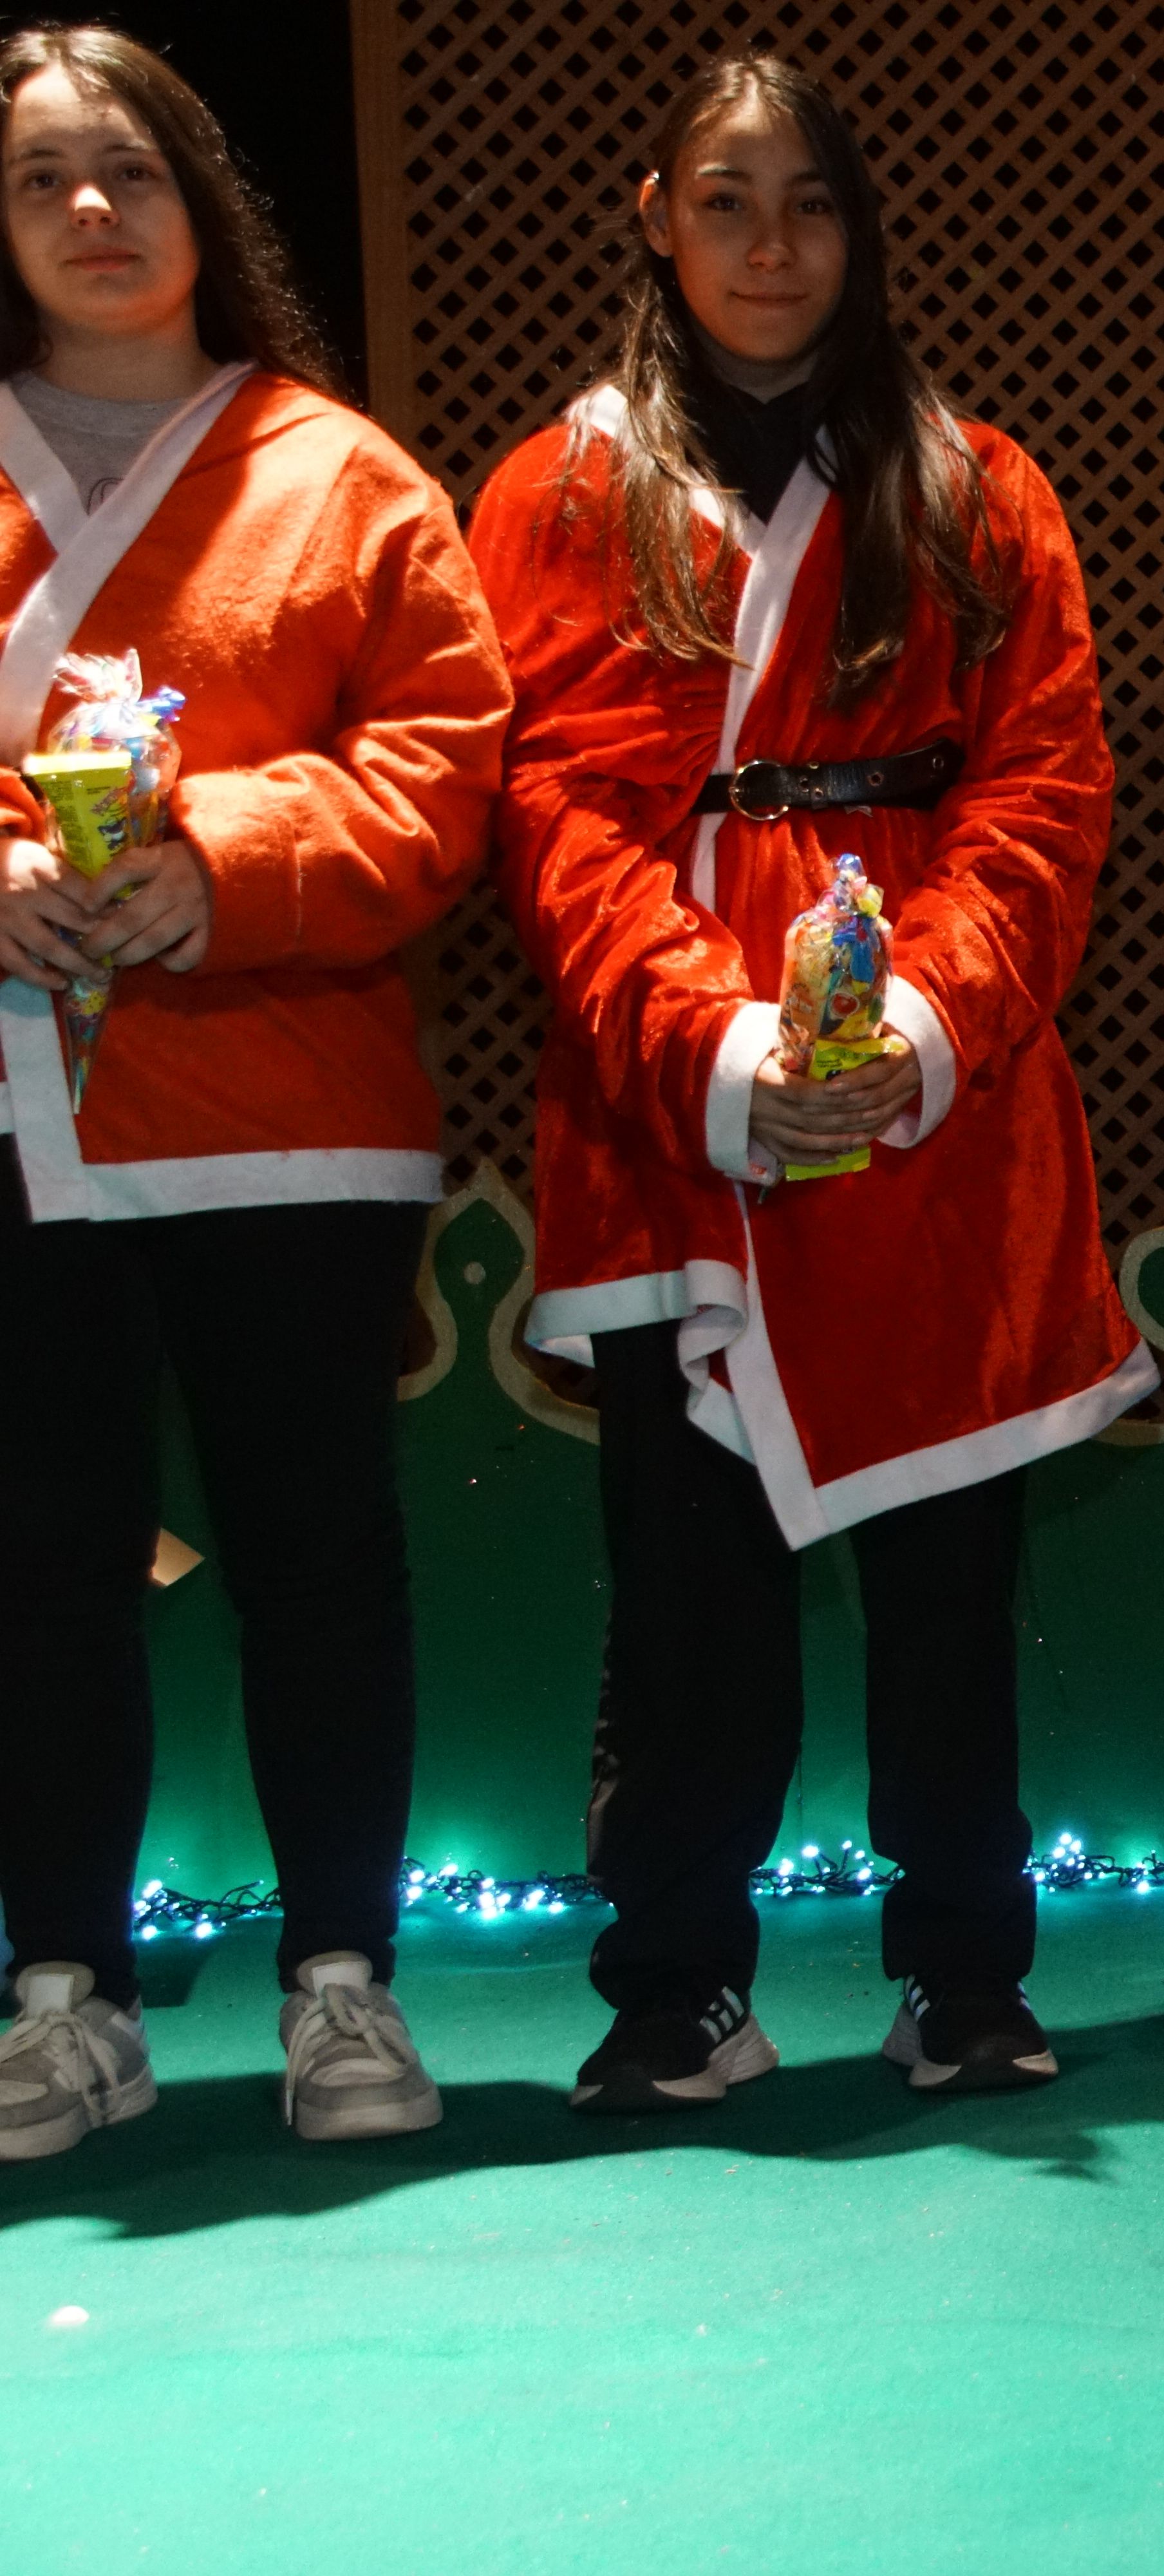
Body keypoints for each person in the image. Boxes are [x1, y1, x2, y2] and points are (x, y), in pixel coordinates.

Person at [474, 53, 1144, 2109]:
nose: (774, 248)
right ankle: (674, 1980)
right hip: (674, 1097)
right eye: (731, 202)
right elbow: (556, 813)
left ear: (863, 234)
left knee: (951, 1577)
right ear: (656, 221)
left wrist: (918, 1028)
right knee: (688, 1588)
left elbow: (1046, 785)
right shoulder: (559, 493)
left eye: (814, 206)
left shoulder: (976, 485)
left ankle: (965, 1970)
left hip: (941, 1097)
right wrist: (722, 1046)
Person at [0, 26, 507, 2160]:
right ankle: (63, 1994)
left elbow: (444, 765)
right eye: (42, 180)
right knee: (36, 1564)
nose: (95, 213)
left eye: (131, 170)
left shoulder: (342, 473)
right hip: (21, 1117)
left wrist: (219, 870)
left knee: (316, 1550)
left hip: (287, 1105)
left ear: (203, 199)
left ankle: (342, 1988)